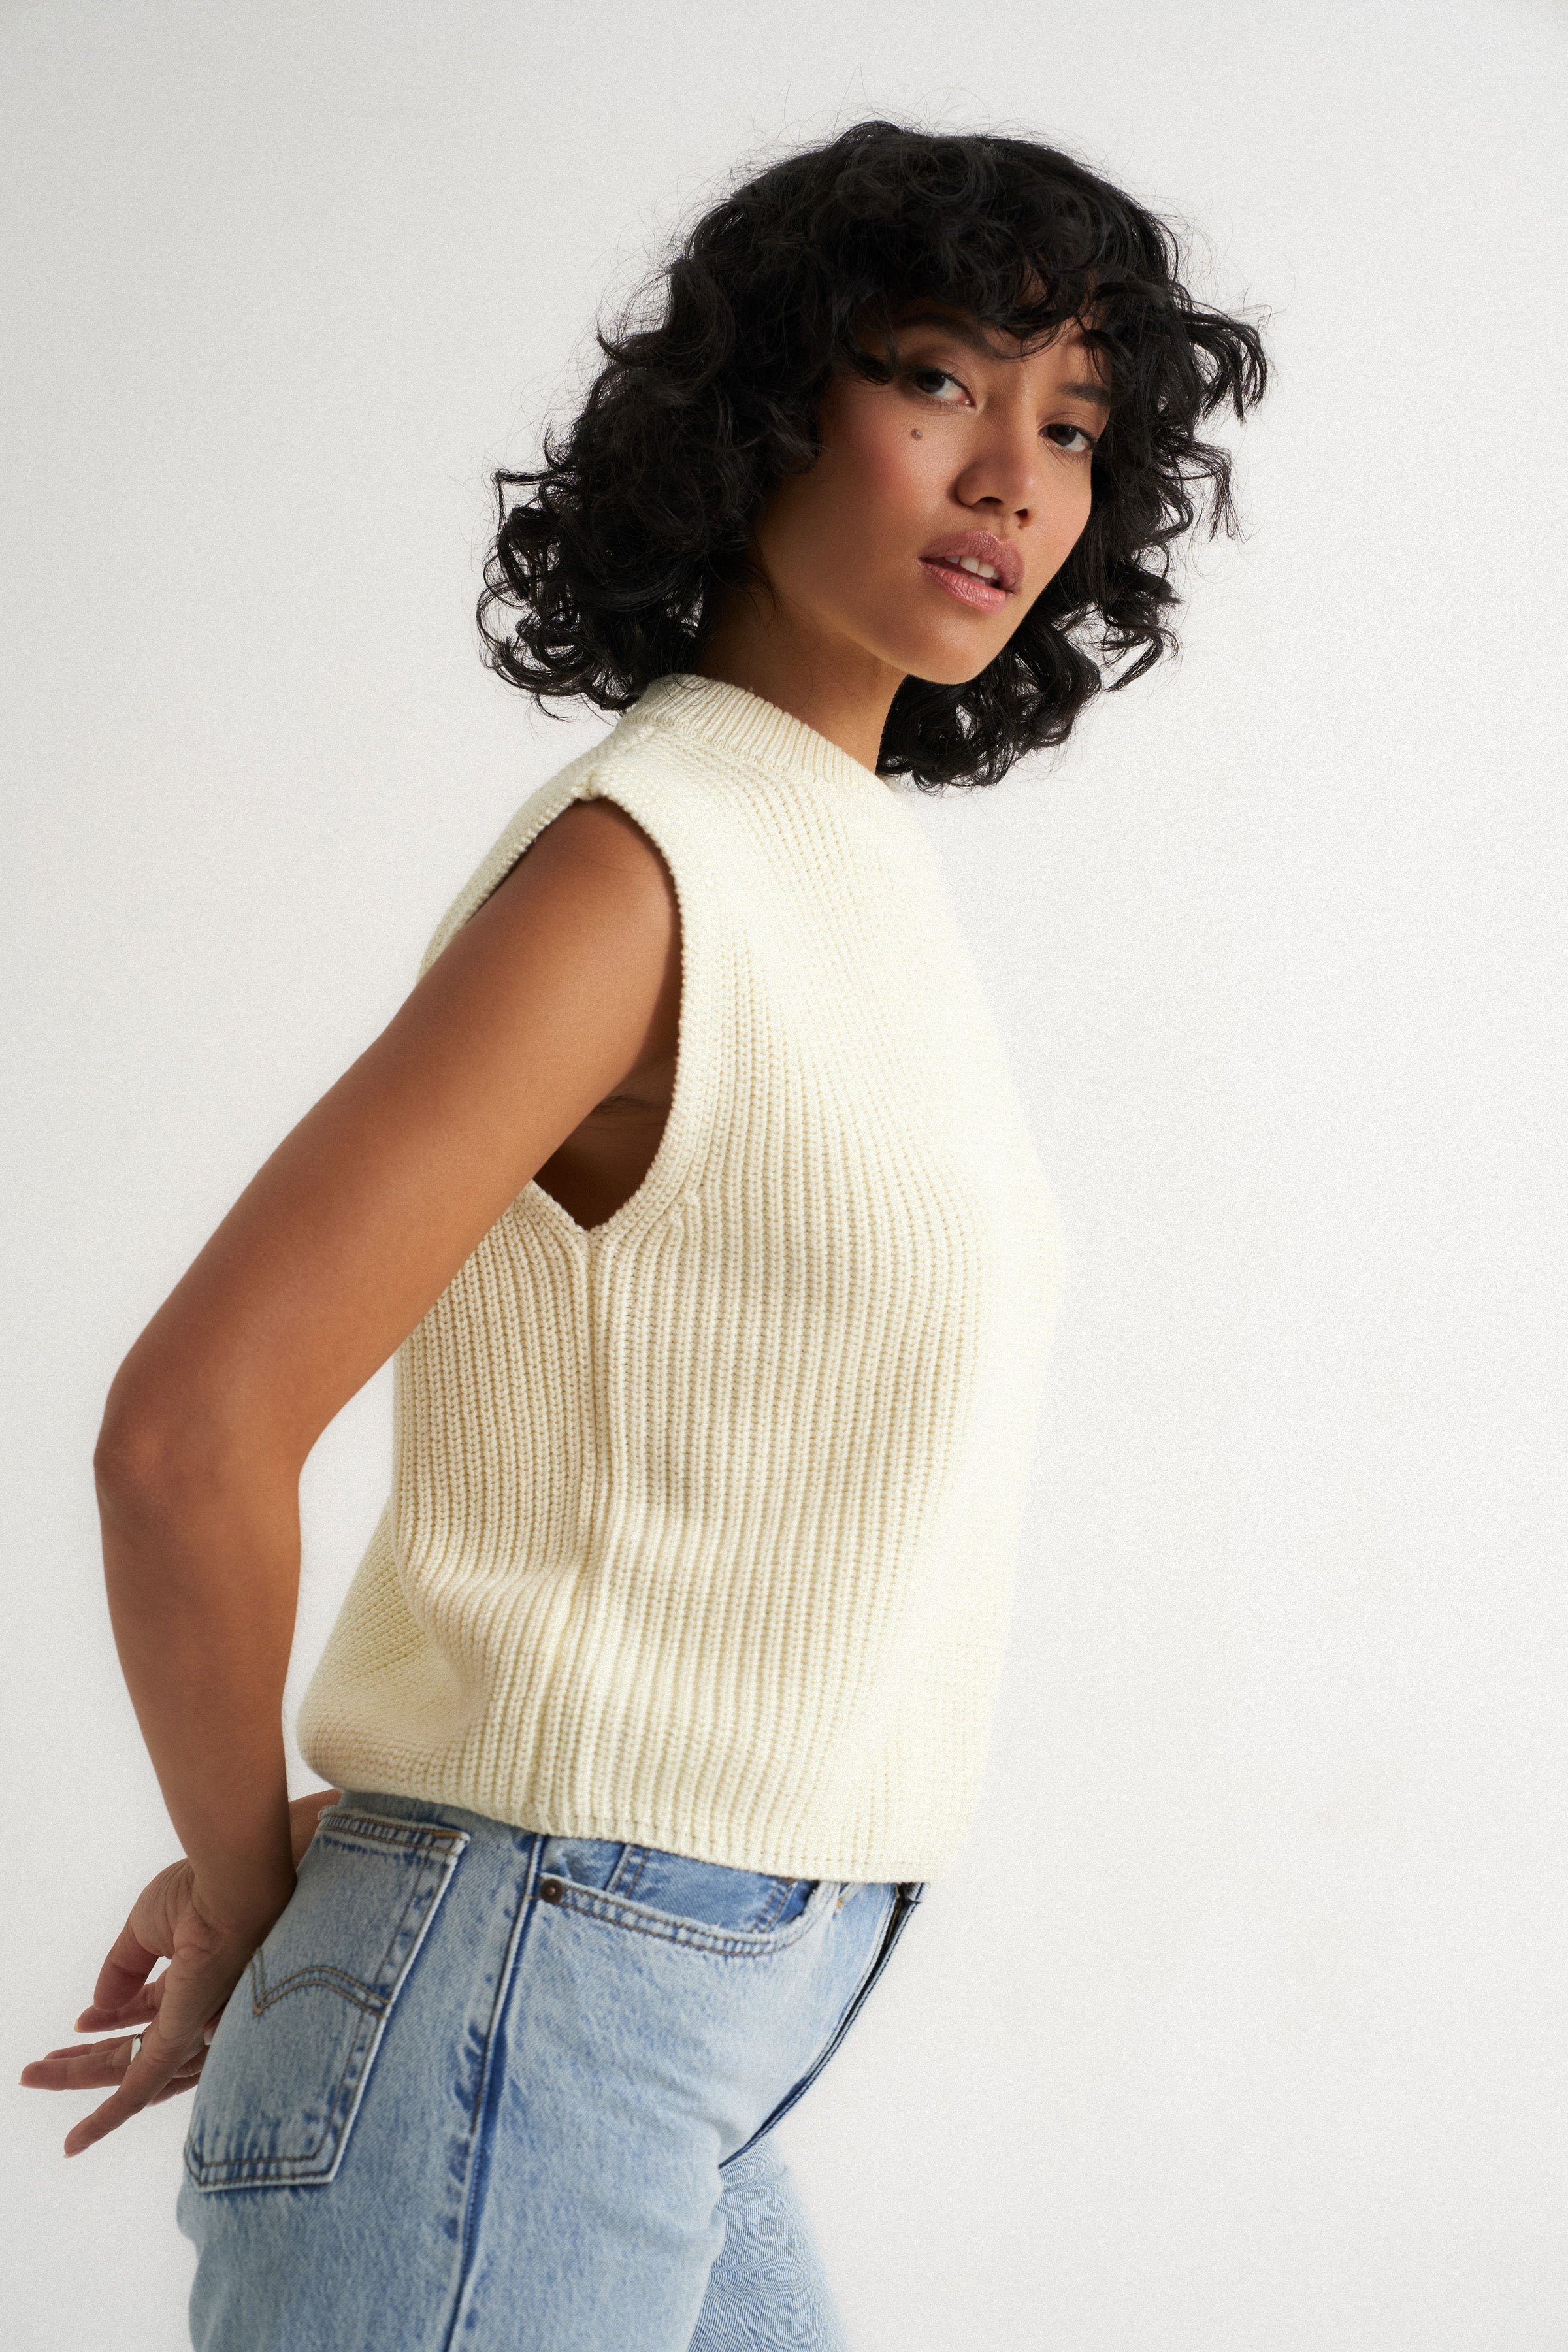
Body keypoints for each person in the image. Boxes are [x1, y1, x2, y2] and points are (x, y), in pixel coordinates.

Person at [22, 118, 1267, 2349]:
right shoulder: (641, 865)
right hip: (536, 2008)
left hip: (678, 2020)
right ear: (767, 408)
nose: (1012, 479)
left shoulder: (837, 861)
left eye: (1075, 426)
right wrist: (257, 1893)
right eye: (937, 379)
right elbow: (187, 1436)